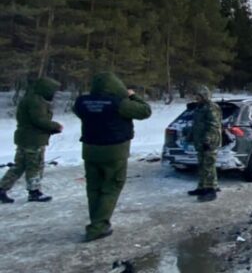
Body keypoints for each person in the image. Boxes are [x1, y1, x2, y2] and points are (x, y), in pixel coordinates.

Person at [74, 72, 151, 242]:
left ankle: (96, 221)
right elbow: (145, 111)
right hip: (114, 150)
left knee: (94, 188)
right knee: (112, 186)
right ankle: (98, 226)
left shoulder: (82, 102)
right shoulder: (119, 103)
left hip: (90, 149)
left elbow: (80, 112)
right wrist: (133, 96)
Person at [0, 78, 63, 204]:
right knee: (35, 165)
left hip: (24, 137)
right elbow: (39, 120)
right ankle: (34, 192)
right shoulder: (36, 101)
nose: (54, 94)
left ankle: (2, 188)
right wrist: (55, 126)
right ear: (46, 89)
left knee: (19, 166)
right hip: (34, 140)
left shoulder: (30, 98)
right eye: (53, 91)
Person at [189, 86, 221, 202]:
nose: (196, 98)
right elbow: (197, 124)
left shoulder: (212, 107)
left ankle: (211, 190)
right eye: (196, 96)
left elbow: (213, 125)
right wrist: (190, 135)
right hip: (200, 141)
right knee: (202, 164)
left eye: (199, 96)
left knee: (209, 165)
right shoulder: (199, 107)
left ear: (204, 96)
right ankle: (202, 187)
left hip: (209, 141)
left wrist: (208, 139)